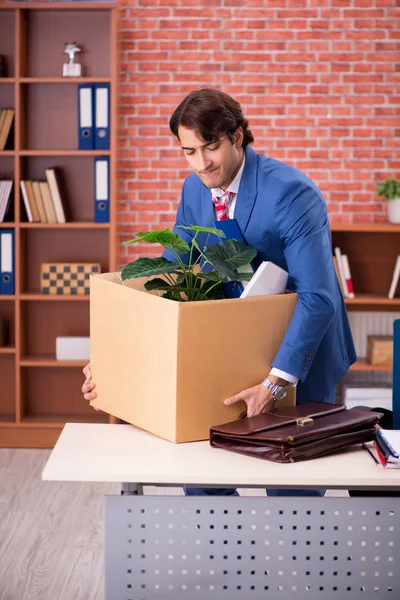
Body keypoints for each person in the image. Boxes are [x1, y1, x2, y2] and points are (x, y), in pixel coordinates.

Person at [82, 88, 357, 497]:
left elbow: (318, 297)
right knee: (204, 480)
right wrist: (110, 356)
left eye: (210, 148)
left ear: (238, 137)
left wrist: (275, 384)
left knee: (290, 491)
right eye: (189, 151)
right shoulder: (194, 191)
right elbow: (170, 272)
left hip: (299, 351)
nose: (201, 164)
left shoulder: (292, 194)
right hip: (228, 342)